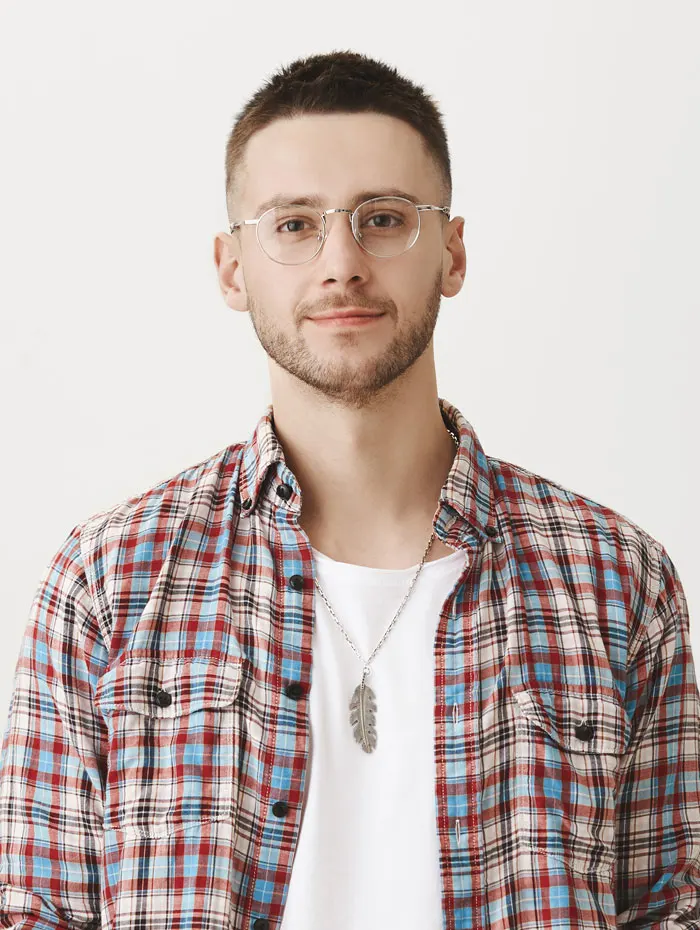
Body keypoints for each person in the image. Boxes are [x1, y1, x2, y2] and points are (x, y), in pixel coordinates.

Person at [0, 49, 698, 930]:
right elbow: (37, 911)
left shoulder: (615, 579)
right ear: (231, 268)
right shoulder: (110, 577)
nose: (342, 263)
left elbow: (673, 907)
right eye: (294, 224)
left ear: (452, 253)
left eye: (384, 219)